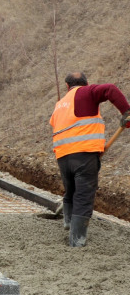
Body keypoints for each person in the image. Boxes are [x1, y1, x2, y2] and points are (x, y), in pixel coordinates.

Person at [50, 71, 130, 247]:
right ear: (86, 84)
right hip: (84, 155)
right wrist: (127, 112)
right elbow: (110, 89)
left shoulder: (60, 104)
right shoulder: (86, 93)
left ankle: (68, 223)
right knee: (84, 196)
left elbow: (56, 125)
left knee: (71, 190)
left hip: (63, 157)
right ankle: (76, 240)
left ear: (66, 86)